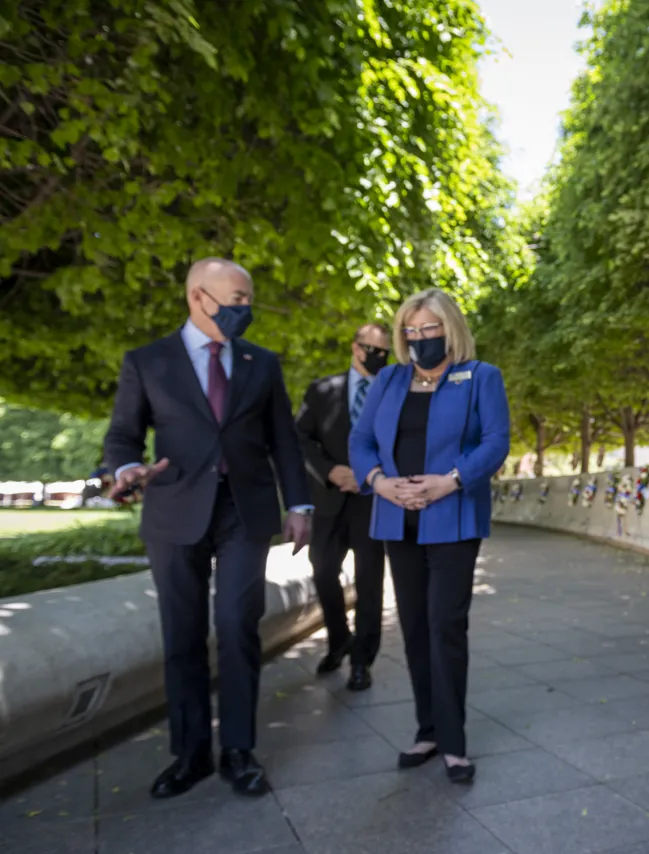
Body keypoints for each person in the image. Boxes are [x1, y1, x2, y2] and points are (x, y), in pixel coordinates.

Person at [104, 258, 312, 799]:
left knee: (239, 625)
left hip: (245, 511)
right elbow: (123, 436)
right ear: (199, 297)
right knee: (182, 634)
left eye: (248, 298)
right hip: (175, 512)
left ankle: (238, 750)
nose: (247, 307)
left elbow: (283, 441)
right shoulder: (148, 362)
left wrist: (301, 505)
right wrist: (126, 470)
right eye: (238, 298)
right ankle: (190, 753)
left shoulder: (261, 363)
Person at [349, 288, 509, 784]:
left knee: (445, 625)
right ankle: (428, 731)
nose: (419, 340)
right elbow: (361, 440)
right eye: (410, 332)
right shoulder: (390, 379)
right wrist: (380, 481)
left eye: (429, 330)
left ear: (450, 329)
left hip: (453, 516)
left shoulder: (481, 377)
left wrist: (451, 480)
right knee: (414, 627)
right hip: (398, 518)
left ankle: (455, 744)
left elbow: (495, 441)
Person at [295, 323, 392, 691]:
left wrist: (371, 474)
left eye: (385, 352)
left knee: (370, 582)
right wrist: (328, 471)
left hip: (372, 500)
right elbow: (299, 437)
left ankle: (361, 661)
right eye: (372, 349)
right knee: (322, 572)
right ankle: (339, 639)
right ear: (356, 348)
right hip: (328, 499)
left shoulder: (394, 393)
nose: (379, 357)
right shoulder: (322, 391)